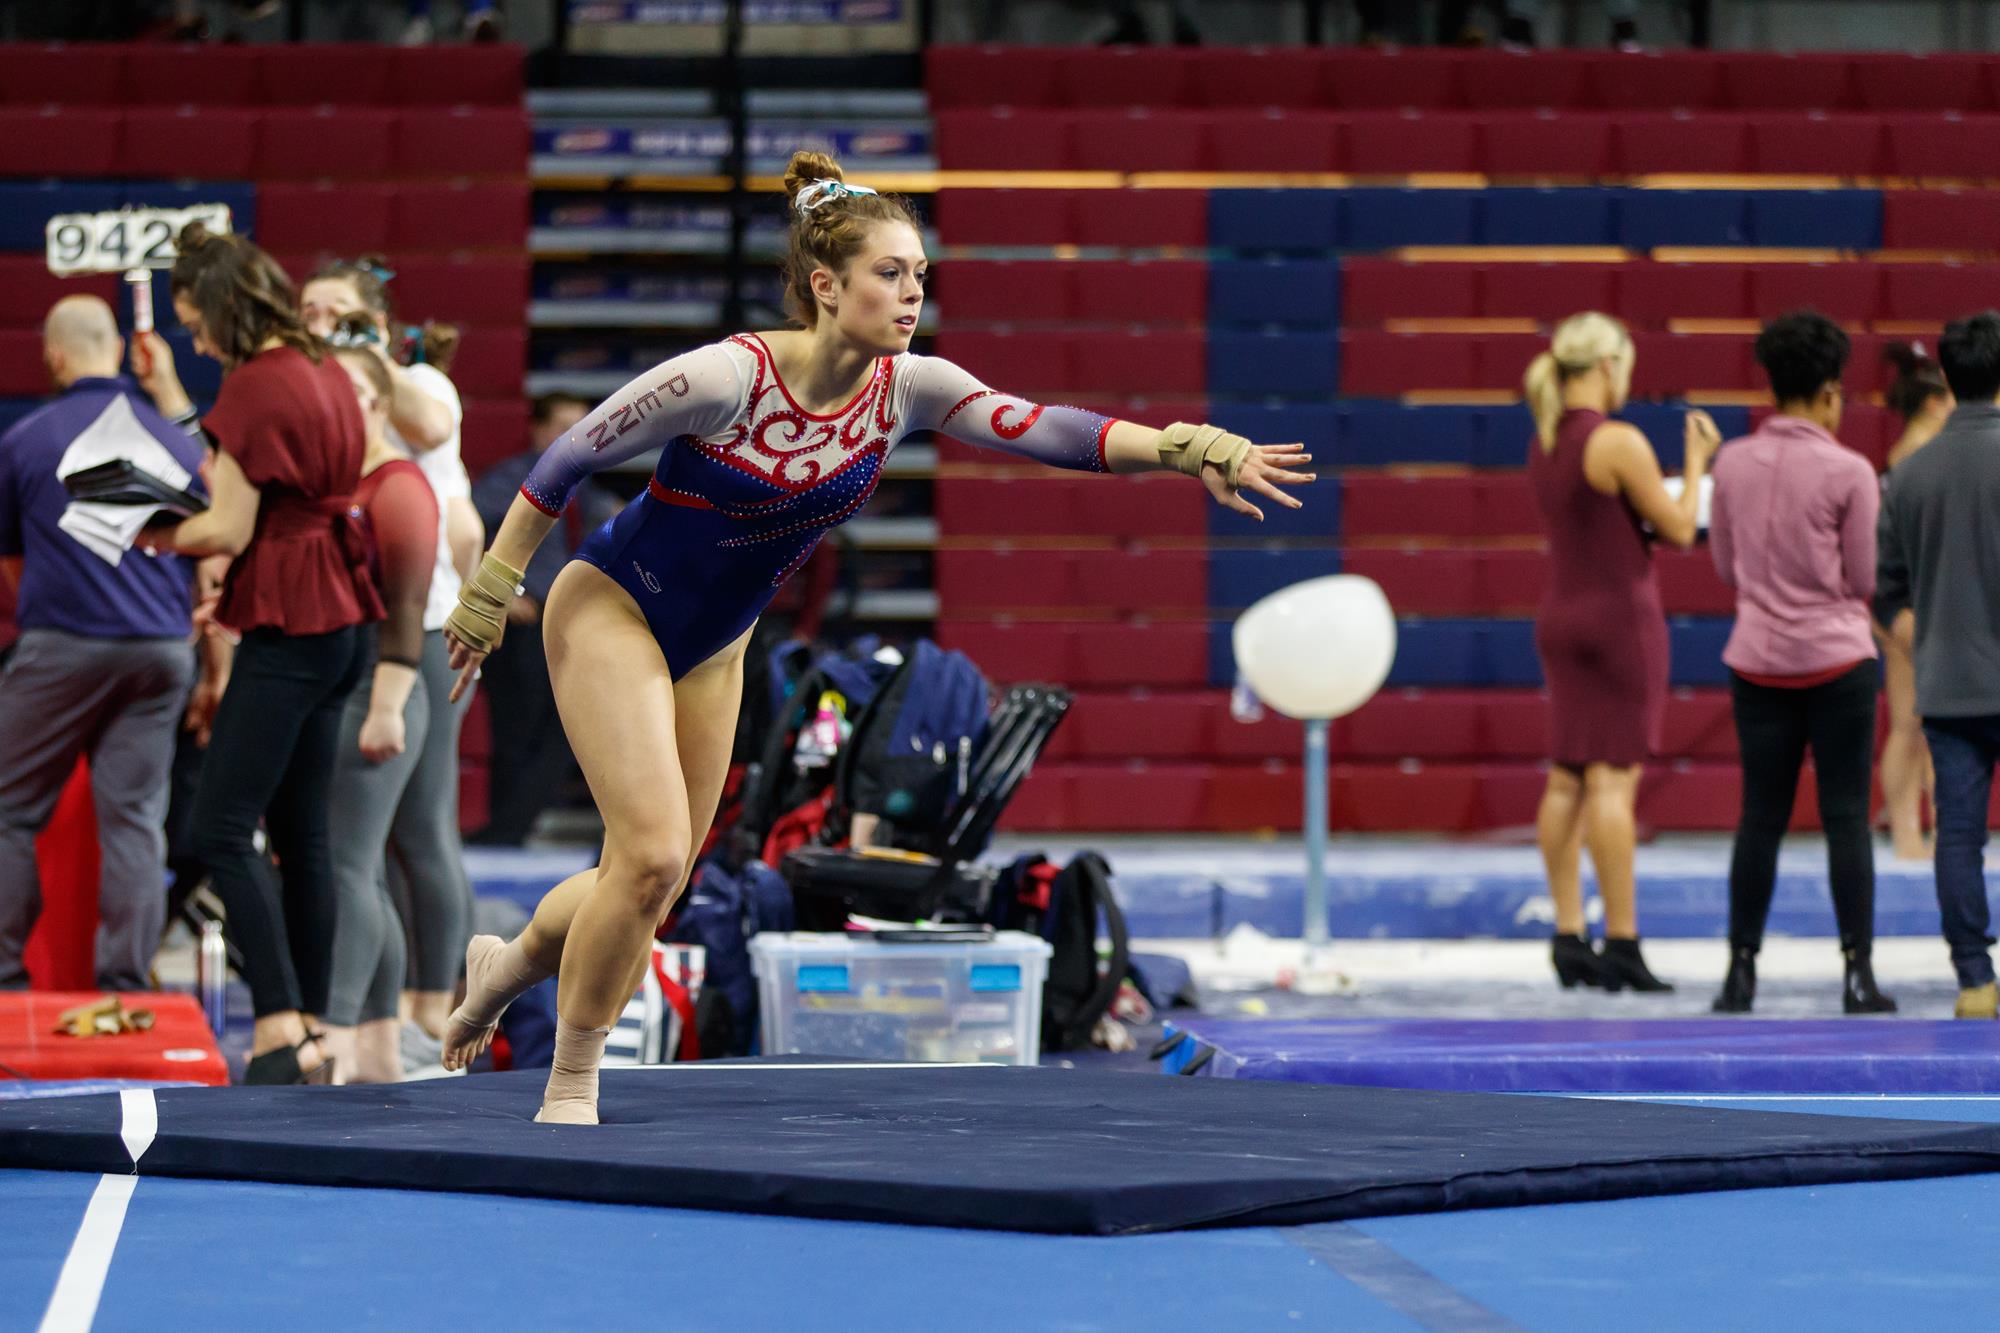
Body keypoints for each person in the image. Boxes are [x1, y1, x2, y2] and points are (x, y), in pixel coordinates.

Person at [433, 149, 1314, 1124]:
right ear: (825, 284)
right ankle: (572, 1076)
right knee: (644, 858)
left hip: (715, 643)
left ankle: (501, 965)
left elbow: (1049, 429)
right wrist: (489, 589)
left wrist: (1186, 447)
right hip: (613, 607)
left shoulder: (908, 390)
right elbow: (564, 456)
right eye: (889, 274)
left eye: (920, 276)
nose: (910, 294)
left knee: (650, 883)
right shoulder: (730, 375)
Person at [147, 222, 382, 1084]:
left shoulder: (251, 385)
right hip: (343, 611)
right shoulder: (321, 365)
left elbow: (227, 526)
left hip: (294, 617)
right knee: (301, 834)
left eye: (195, 323)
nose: (197, 341)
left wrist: (144, 532)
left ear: (217, 308)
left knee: (216, 824)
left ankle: (279, 1025)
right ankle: (316, 1028)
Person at [0, 296, 206, 991]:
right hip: (163, 651)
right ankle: (124, 980)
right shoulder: (177, 443)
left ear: (54, 355)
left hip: (63, 644)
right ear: (117, 350)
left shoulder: (25, 439)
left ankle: (4, 977)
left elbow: (12, 562)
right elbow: (207, 550)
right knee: (135, 821)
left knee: (10, 809)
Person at [300, 259, 477, 1065]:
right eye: (307, 310)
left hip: (425, 628)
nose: (317, 321)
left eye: (335, 310)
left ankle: (438, 1013)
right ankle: (382, 1025)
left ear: (374, 317)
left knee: (421, 832)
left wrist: (367, 355)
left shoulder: (420, 386)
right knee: (371, 843)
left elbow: (446, 475)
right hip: (367, 630)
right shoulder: (319, 388)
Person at [1525, 311, 1719, 995]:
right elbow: (1678, 527)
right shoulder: (1617, 441)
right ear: (1608, 366)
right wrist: (1696, 465)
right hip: (1617, 620)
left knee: (1566, 777)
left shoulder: (1546, 438)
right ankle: (1624, 941)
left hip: (1561, 614)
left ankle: (1569, 932)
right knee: (1613, 779)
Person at [1707, 311, 1893, 1016]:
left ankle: (1740, 973)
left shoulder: (1731, 462)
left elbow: (1725, 564)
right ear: (1827, 392)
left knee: (1760, 816)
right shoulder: (1850, 471)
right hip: (1837, 660)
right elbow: (1865, 575)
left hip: (1756, 660)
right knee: (1847, 815)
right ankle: (1857, 974)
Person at [320, 339, 441, 1083]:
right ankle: (378, 1045)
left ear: (371, 401)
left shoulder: (396, 485)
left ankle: (333, 1037)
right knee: (359, 872)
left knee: (347, 868)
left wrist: (387, 704)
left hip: (381, 687)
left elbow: (407, 607)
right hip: (352, 683)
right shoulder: (345, 482)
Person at [1877, 310, 2000, 1021]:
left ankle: (1975, 979)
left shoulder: (1909, 474)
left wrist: (1929, 637)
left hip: (1948, 685)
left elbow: (1887, 589)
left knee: (1956, 834)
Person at [468, 392, 619, 847]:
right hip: (524, 624)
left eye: (581, 427)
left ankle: (508, 828)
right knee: (518, 730)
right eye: (561, 427)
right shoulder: (512, 479)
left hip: (567, 622)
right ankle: (504, 831)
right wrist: (503, 593)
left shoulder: (586, 486)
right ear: (536, 429)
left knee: (559, 731)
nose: (571, 437)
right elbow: (464, 530)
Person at [1876, 342, 1953, 862]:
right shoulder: (1916, 458)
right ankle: (1907, 832)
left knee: (1927, 723)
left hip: (1914, 602)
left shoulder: (1917, 454)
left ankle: (1937, 832)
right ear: (1931, 403)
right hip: (1908, 605)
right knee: (1909, 723)